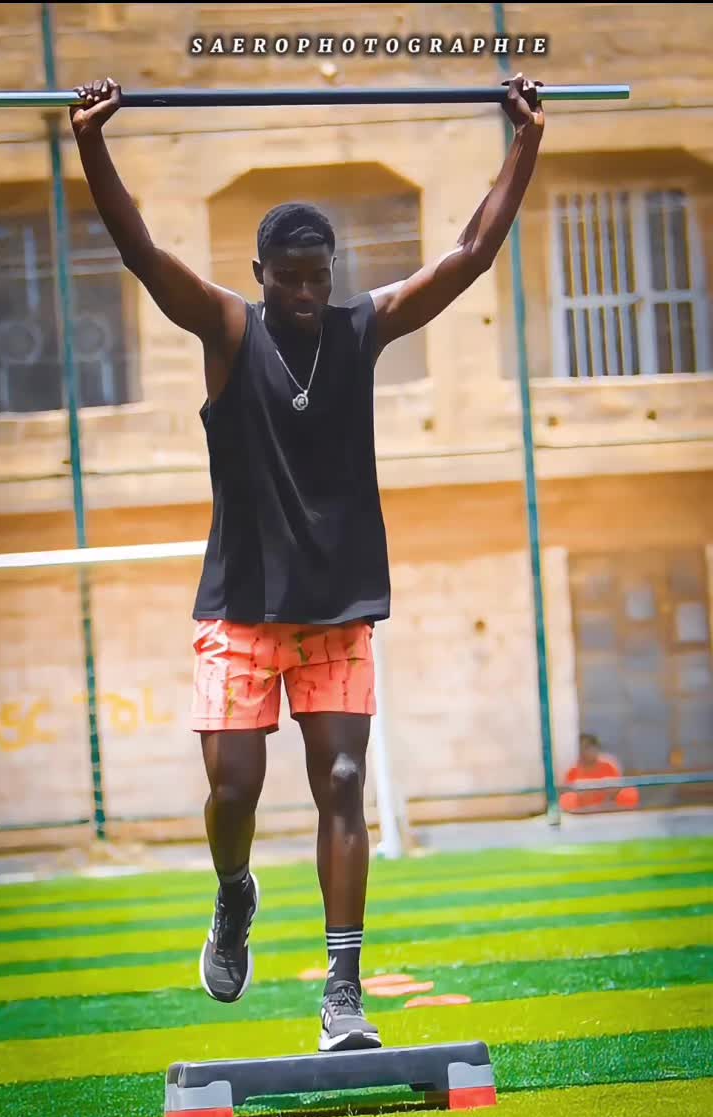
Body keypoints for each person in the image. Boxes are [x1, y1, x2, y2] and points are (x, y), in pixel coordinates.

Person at [70, 72, 545, 1052]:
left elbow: (469, 253)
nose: (302, 294)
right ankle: (234, 892)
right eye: (287, 278)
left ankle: (343, 991)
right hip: (241, 607)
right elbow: (142, 251)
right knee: (233, 790)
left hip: (336, 608)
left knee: (343, 777)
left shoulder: (358, 328)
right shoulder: (227, 329)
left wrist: (525, 140)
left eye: (316, 278)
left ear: (333, 273)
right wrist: (90, 143)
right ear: (259, 273)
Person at [560, 733, 640, 813]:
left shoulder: (608, 765)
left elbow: (617, 789)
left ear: (596, 748)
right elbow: (568, 793)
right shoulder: (573, 771)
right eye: (581, 749)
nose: (584, 752)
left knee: (630, 792)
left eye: (587, 747)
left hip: (608, 808)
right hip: (582, 811)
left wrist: (608, 791)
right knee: (566, 798)